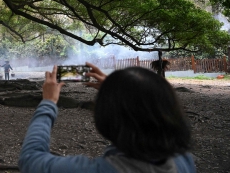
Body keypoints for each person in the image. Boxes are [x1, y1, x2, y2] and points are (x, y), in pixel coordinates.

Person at [19, 62, 196, 173]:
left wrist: (48, 102)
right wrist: (118, 90)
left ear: (107, 119)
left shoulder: (99, 170)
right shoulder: (182, 159)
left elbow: (30, 158)